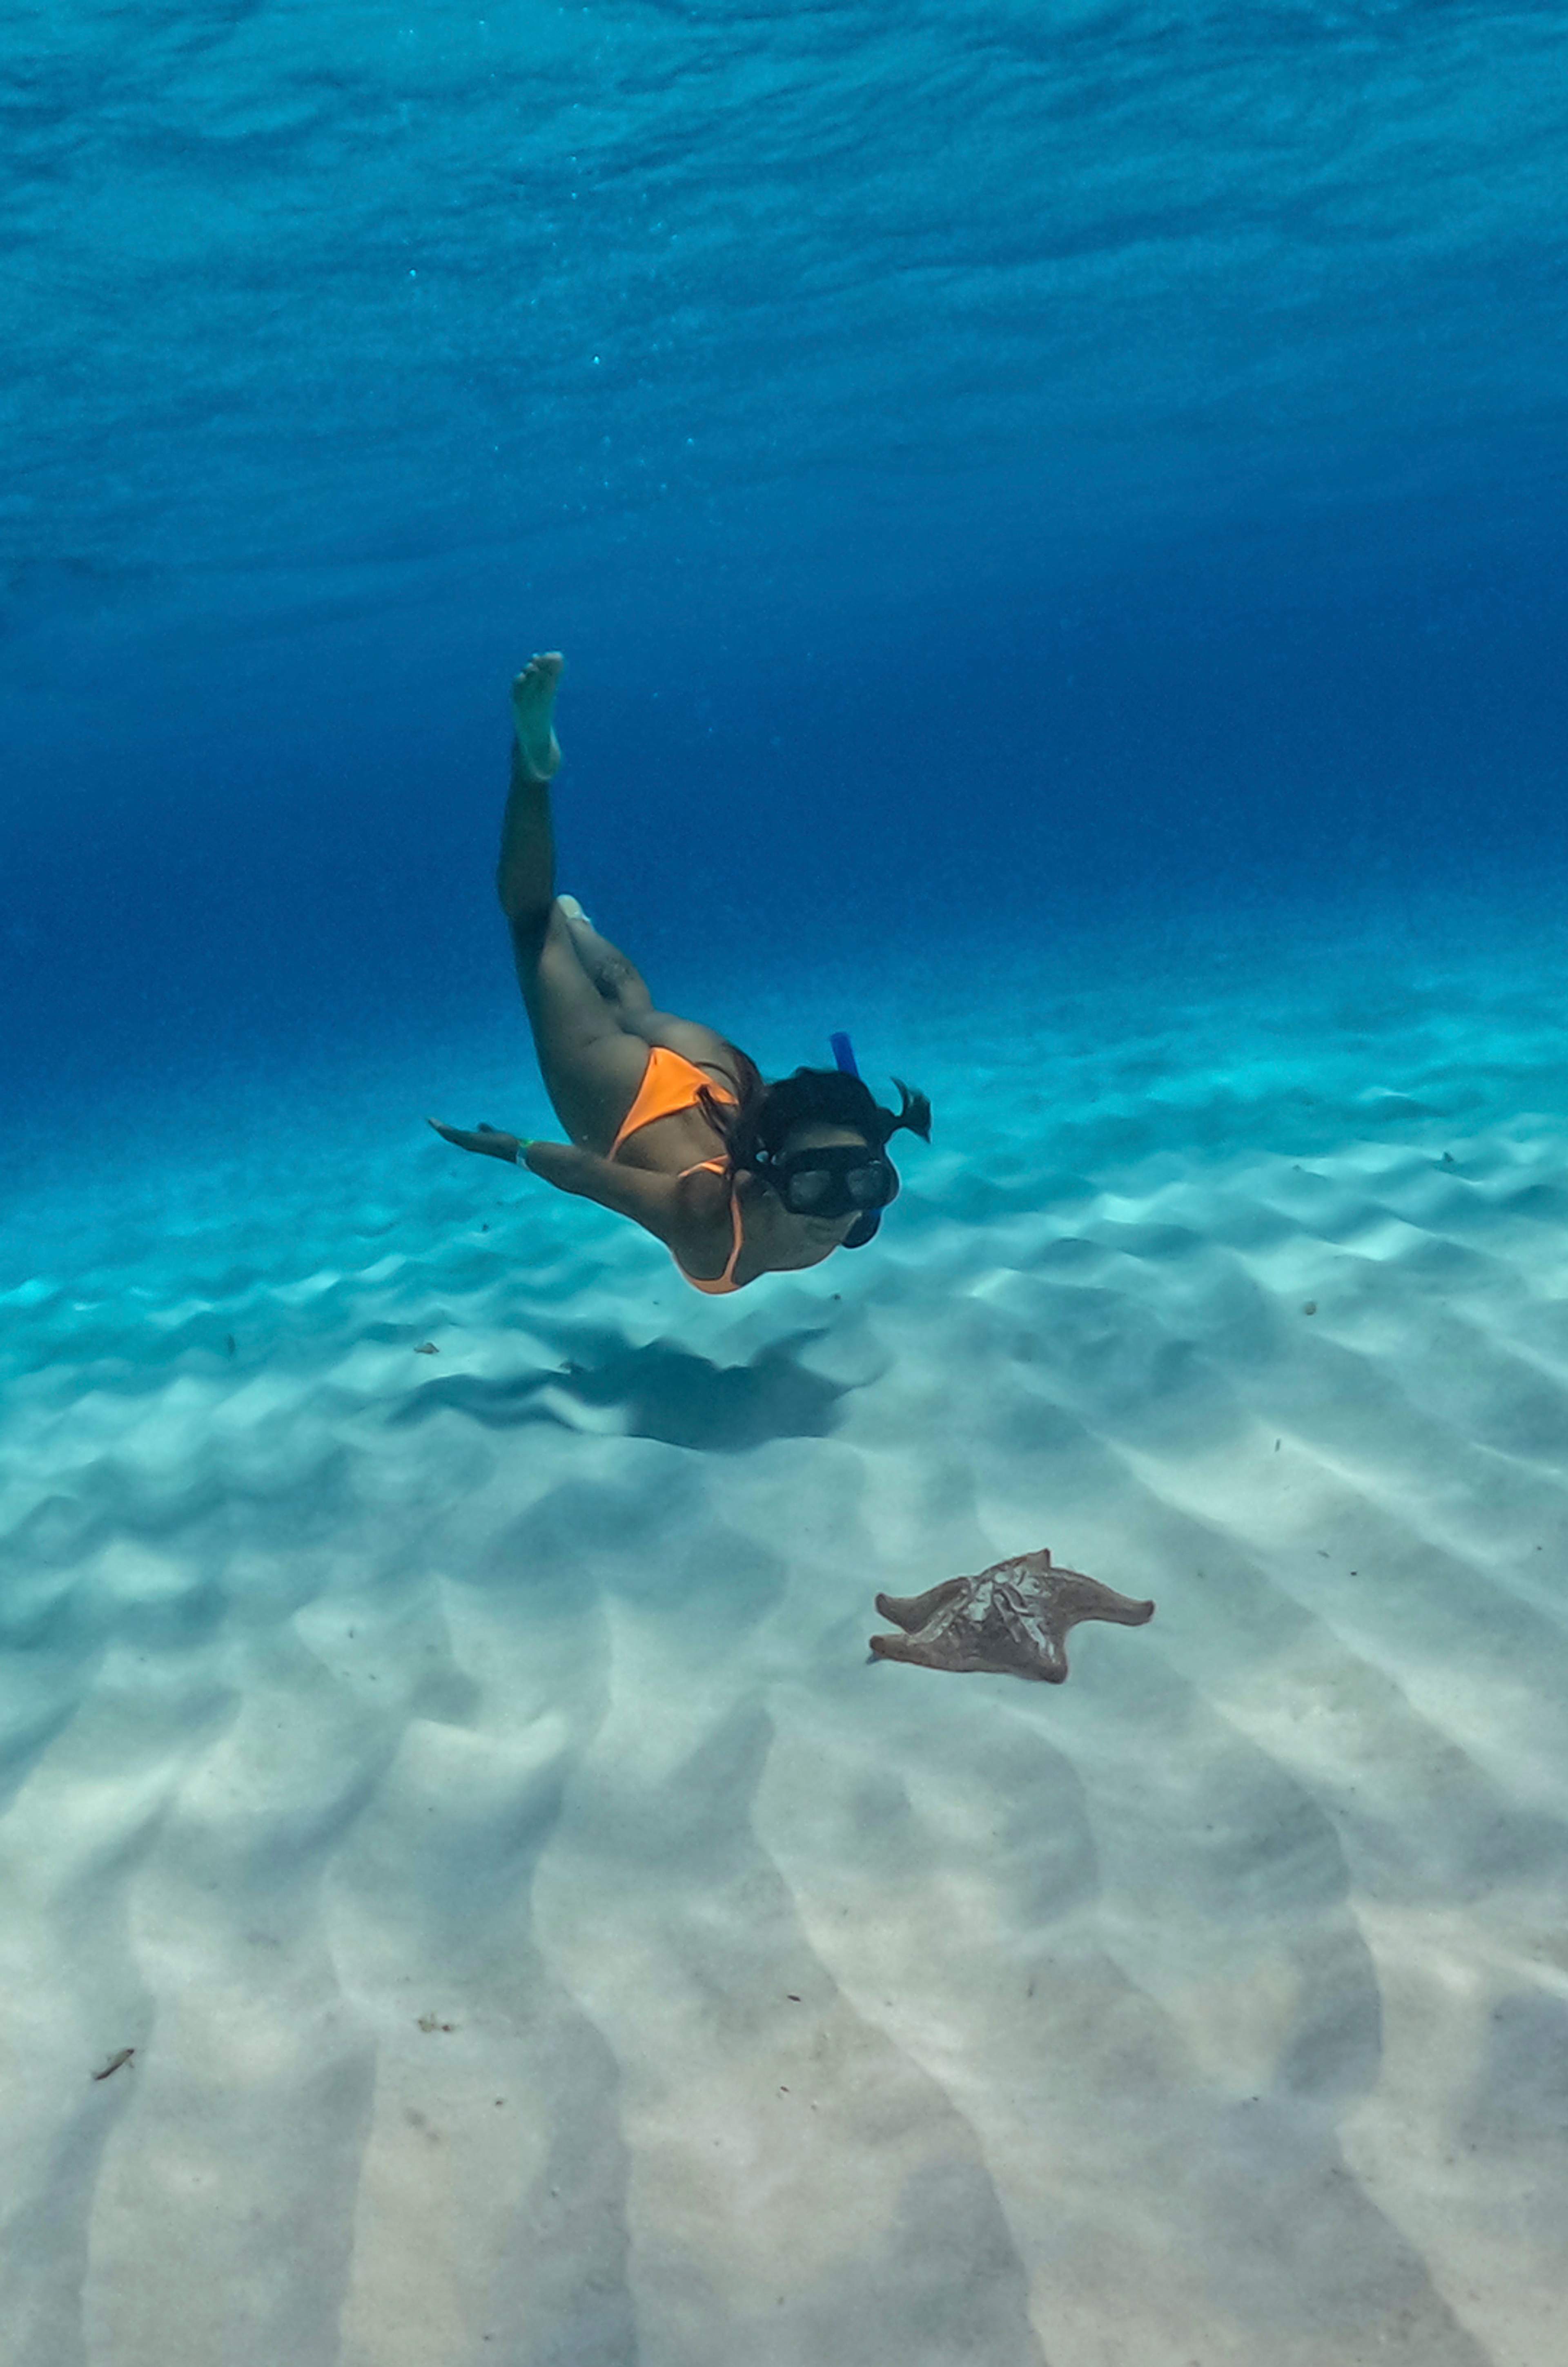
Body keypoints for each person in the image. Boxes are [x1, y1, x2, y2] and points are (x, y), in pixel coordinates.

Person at [429, 653, 930, 1295]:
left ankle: (577, 923)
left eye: (866, 1182)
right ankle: (533, 774)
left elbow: (810, 1140)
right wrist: (505, 1146)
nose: (838, 1213)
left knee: (634, 1003)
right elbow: (585, 1175)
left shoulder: (853, 1203)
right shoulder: (706, 1224)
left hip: (723, 1084)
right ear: (771, 1171)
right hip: (626, 1097)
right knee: (533, 928)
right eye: (812, 1185)